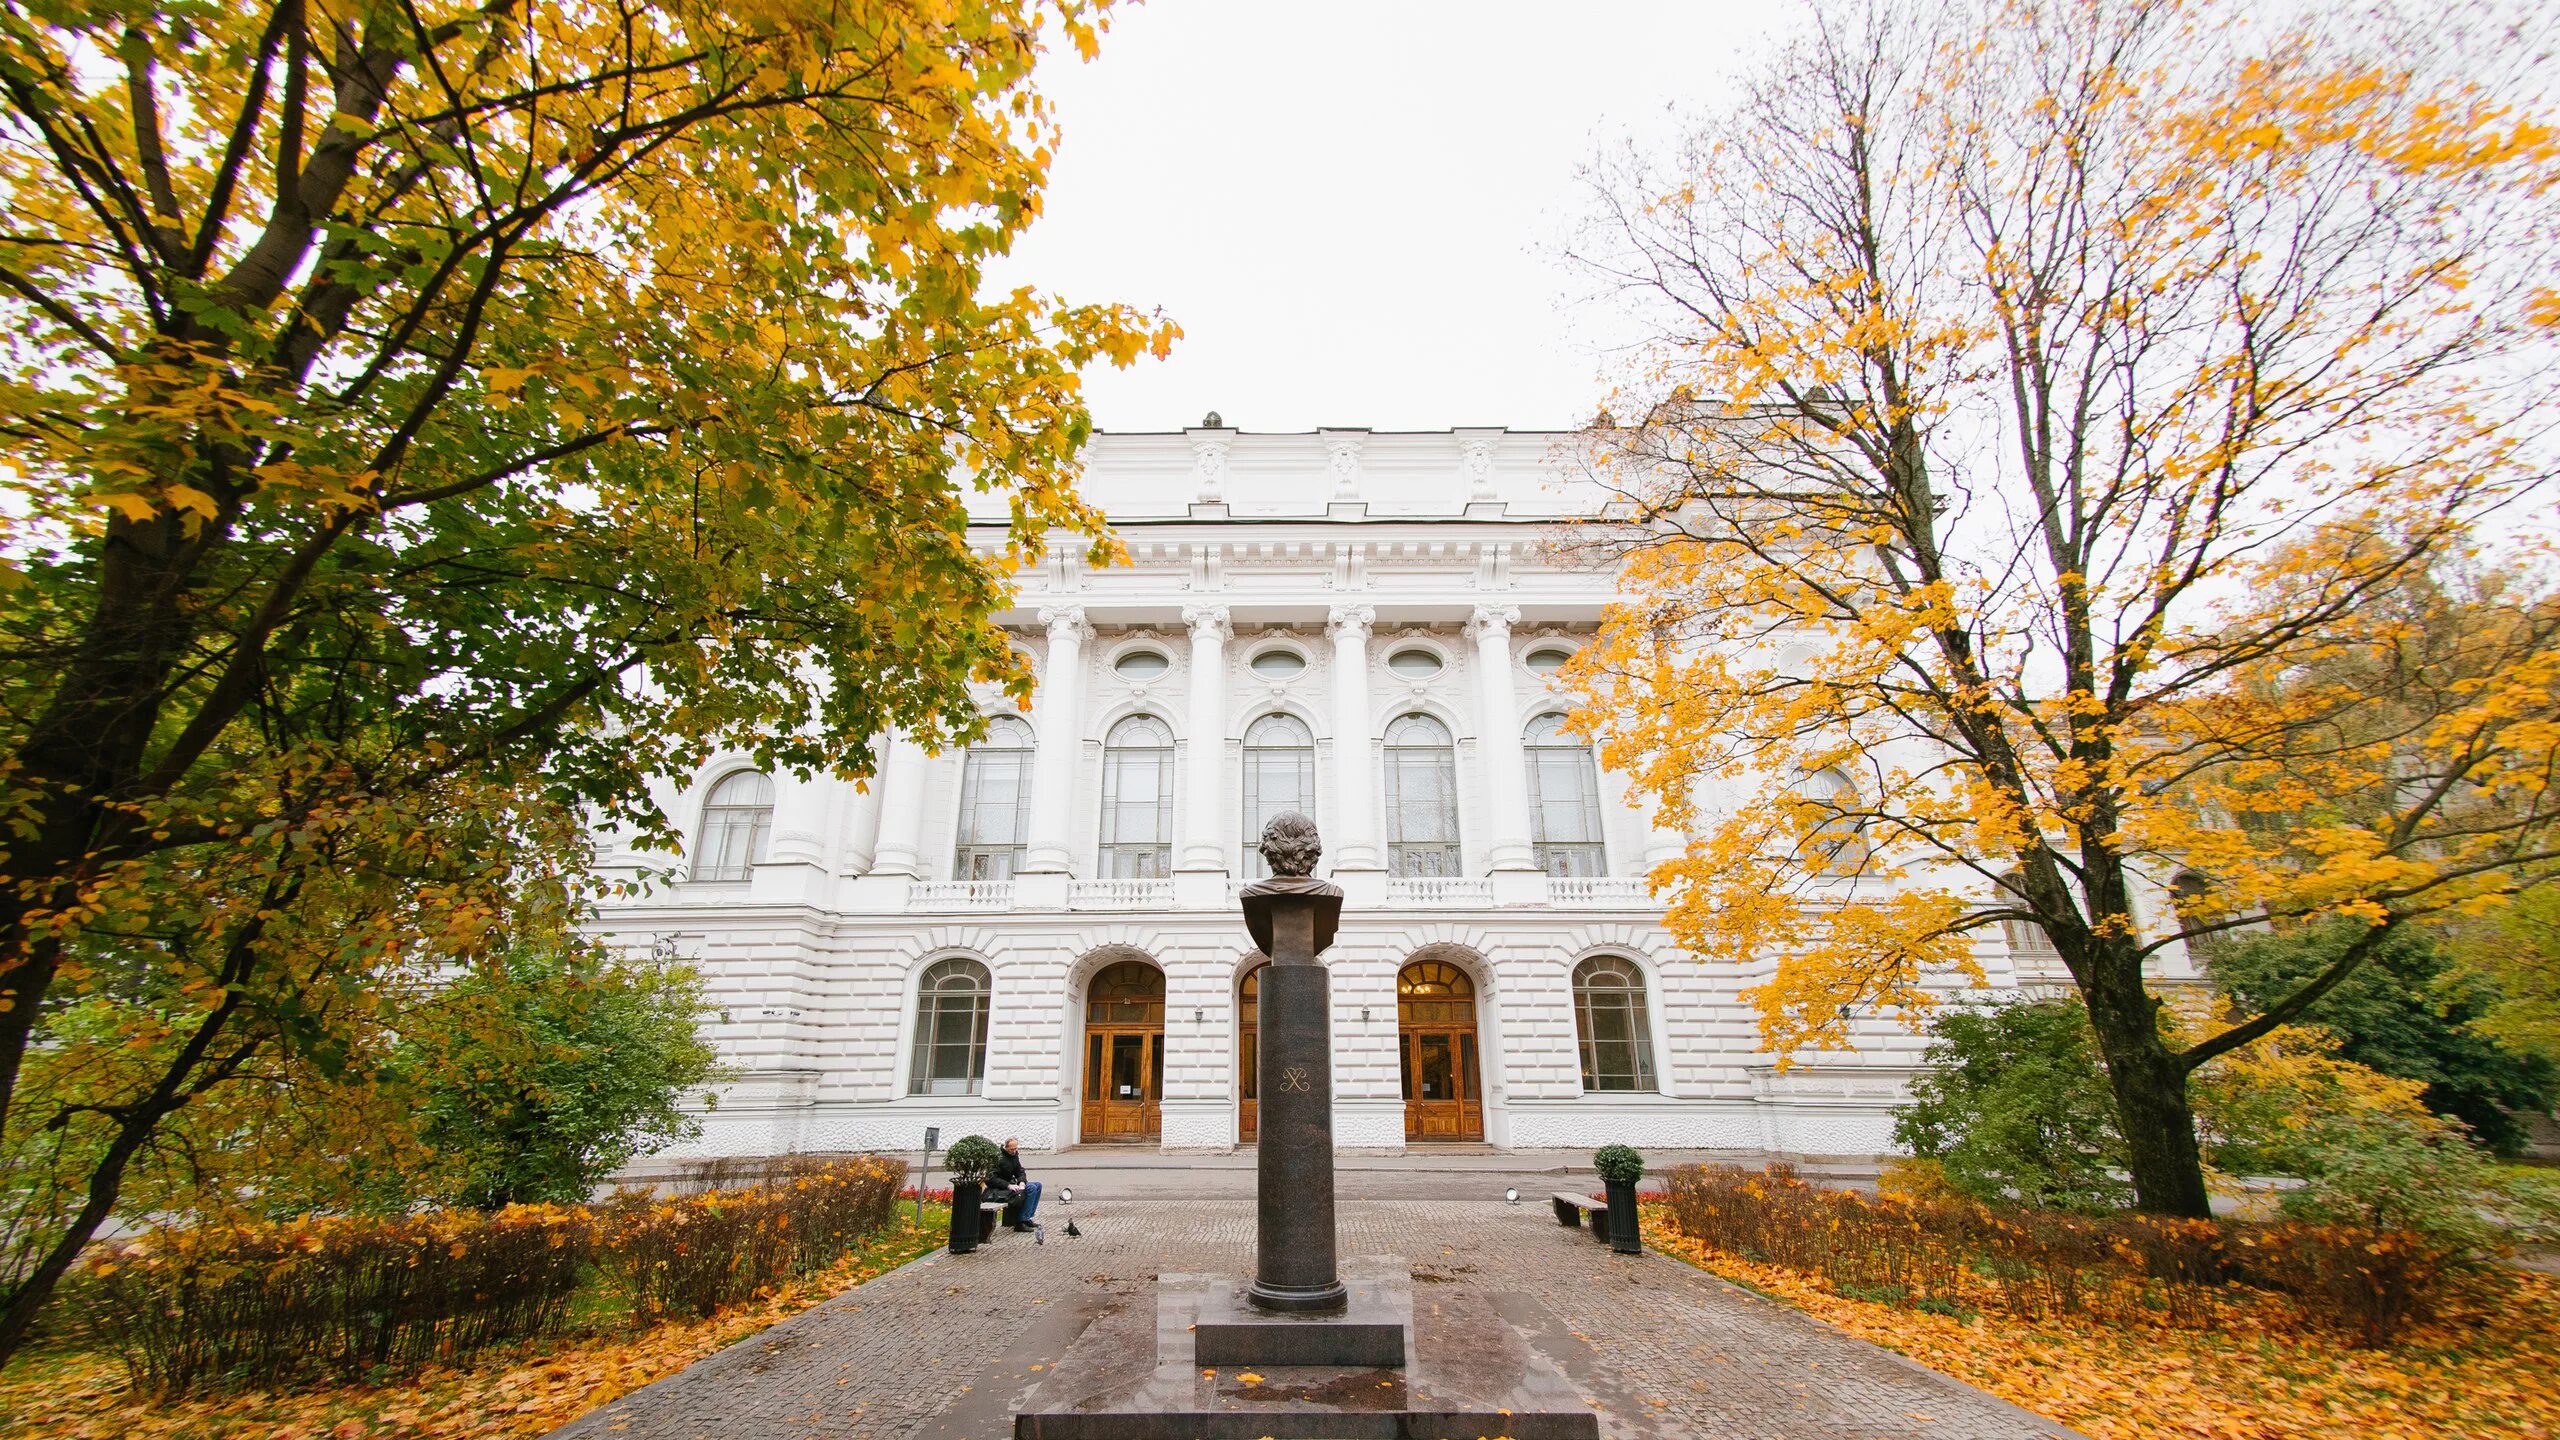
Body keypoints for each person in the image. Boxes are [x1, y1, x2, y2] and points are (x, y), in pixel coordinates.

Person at [991, 1138, 1041, 1231]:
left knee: (1038, 1185)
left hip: (1012, 1185)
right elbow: (991, 1178)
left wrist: (1022, 1182)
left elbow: (1020, 1171)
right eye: (1011, 1149)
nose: (1014, 1151)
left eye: (1015, 1149)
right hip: (1000, 1189)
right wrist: (1008, 1185)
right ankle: (1021, 1221)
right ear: (1006, 1148)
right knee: (1031, 1188)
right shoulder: (999, 1158)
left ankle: (1027, 1217)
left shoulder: (1014, 1156)